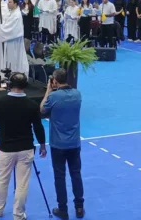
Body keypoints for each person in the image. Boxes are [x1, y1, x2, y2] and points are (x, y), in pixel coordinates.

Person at [0, 72, 47, 220]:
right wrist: (42, 145)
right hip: (26, 148)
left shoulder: (0, 102)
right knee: (22, 183)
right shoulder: (32, 105)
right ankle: (18, 214)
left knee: (2, 179)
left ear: (10, 84)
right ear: (25, 86)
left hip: (6, 149)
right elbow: (38, 127)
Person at [40, 69, 84, 219]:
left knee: (60, 177)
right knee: (76, 174)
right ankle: (79, 207)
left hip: (58, 145)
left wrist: (48, 90)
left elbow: (42, 109)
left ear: (55, 81)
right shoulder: (78, 94)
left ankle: (63, 210)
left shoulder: (53, 97)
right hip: (74, 143)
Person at [0, 0, 29, 75]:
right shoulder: (12, 12)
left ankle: (15, 75)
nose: (8, 4)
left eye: (10, 2)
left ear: (15, 4)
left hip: (14, 40)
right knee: (9, 59)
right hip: (10, 40)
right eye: (8, 2)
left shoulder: (16, 14)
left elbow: (11, 28)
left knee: (14, 59)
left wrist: (1, 28)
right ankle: (9, 74)